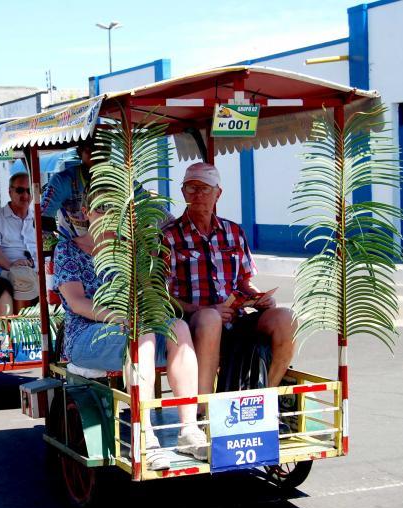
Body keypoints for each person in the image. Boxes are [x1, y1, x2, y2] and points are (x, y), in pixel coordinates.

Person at [54, 189, 207, 469]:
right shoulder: (68, 249)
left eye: (115, 211)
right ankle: (144, 434)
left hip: (133, 330)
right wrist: (122, 317)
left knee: (179, 328)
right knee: (142, 332)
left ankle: (189, 429)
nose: (108, 217)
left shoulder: (130, 250)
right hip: (87, 336)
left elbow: (149, 293)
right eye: (101, 210)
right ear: (88, 213)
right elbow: (76, 302)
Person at [162, 162, 297, 393]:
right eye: (191, 188)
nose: (197, 195)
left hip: (237, 318)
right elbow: (160, 293)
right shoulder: (169, 236)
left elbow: (244, 281)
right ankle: (203, 411)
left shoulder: (234, 232)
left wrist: (259, 298)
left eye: (204, 188)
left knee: (287, 318)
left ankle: (264, 396)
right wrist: (200, 309)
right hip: (193, 319)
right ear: (183, 192)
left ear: (218, 193)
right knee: (210, 319)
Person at [40, 138, 173, 241]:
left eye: (103, 151)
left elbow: (151, 207)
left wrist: (174, 228)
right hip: (74, 249)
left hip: (112, 252)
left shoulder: (120, 178)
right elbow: (44, 219)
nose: (99, 157)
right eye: (91, 150)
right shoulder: (63, 181)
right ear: (80, 152)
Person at [0, 172, 39, 318]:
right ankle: (22, 333)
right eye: (20, 190)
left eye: (29, 191)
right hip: (7, 274)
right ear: (10, 192)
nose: (25, 195)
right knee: (21, 274)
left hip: (37, 270)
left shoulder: (38, 218)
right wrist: (11, 264)